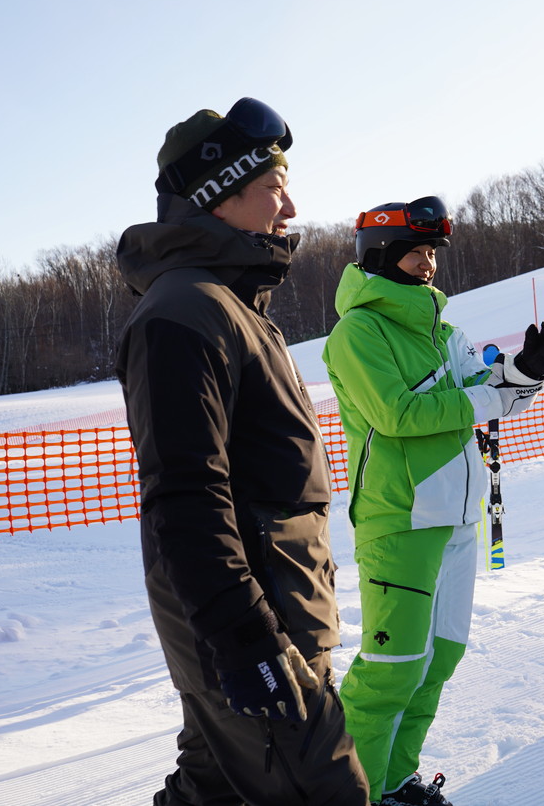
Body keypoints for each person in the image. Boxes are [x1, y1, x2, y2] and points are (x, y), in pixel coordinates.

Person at [115, 98, 369, 805]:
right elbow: (186, 496)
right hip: (255, 622)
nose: (289, 207)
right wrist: (246, 640)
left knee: (215, 787)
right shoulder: (182, 313)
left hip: (277, 603)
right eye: (272, 189)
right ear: (219, 199)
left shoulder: (228, 306)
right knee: (323, 790)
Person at [323, 197, 544, 805]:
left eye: (433, 252)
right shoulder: (358, 331)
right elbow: (398, 414)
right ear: (381, 256)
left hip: (459, 517)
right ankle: (351, 792)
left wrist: (526, 373)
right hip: (399, 520)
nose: (430, 264)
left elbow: (489, 393)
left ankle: (395, 779)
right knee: (390, 671)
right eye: (417, 252)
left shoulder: (444, 330)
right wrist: (489, 397)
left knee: (439, 661)